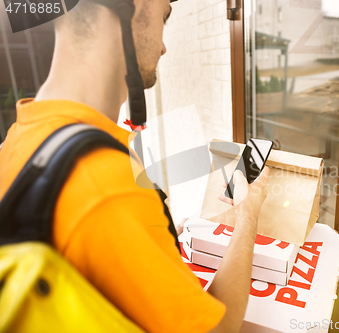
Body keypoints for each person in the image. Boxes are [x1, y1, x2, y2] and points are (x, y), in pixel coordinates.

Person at [0, 0, 270, 332]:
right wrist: (249, 213)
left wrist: (151, 234)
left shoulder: (20, 136)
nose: (163, 46)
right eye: (164, 18)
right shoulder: (103, 180)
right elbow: (221, 327)